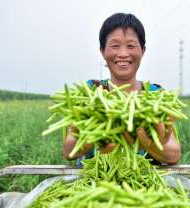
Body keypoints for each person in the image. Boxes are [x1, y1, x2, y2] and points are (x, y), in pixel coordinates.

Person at [63, 13, 181, 165]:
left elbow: (174, 155)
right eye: (114, 45)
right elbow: (68, 151)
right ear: (102, 51)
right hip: (93, 184)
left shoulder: (156, 95)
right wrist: (93, 137)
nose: (123, 54)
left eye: (131, 46)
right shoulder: (90, 91)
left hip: (144, 187)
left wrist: (150, 144)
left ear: (143, 50)